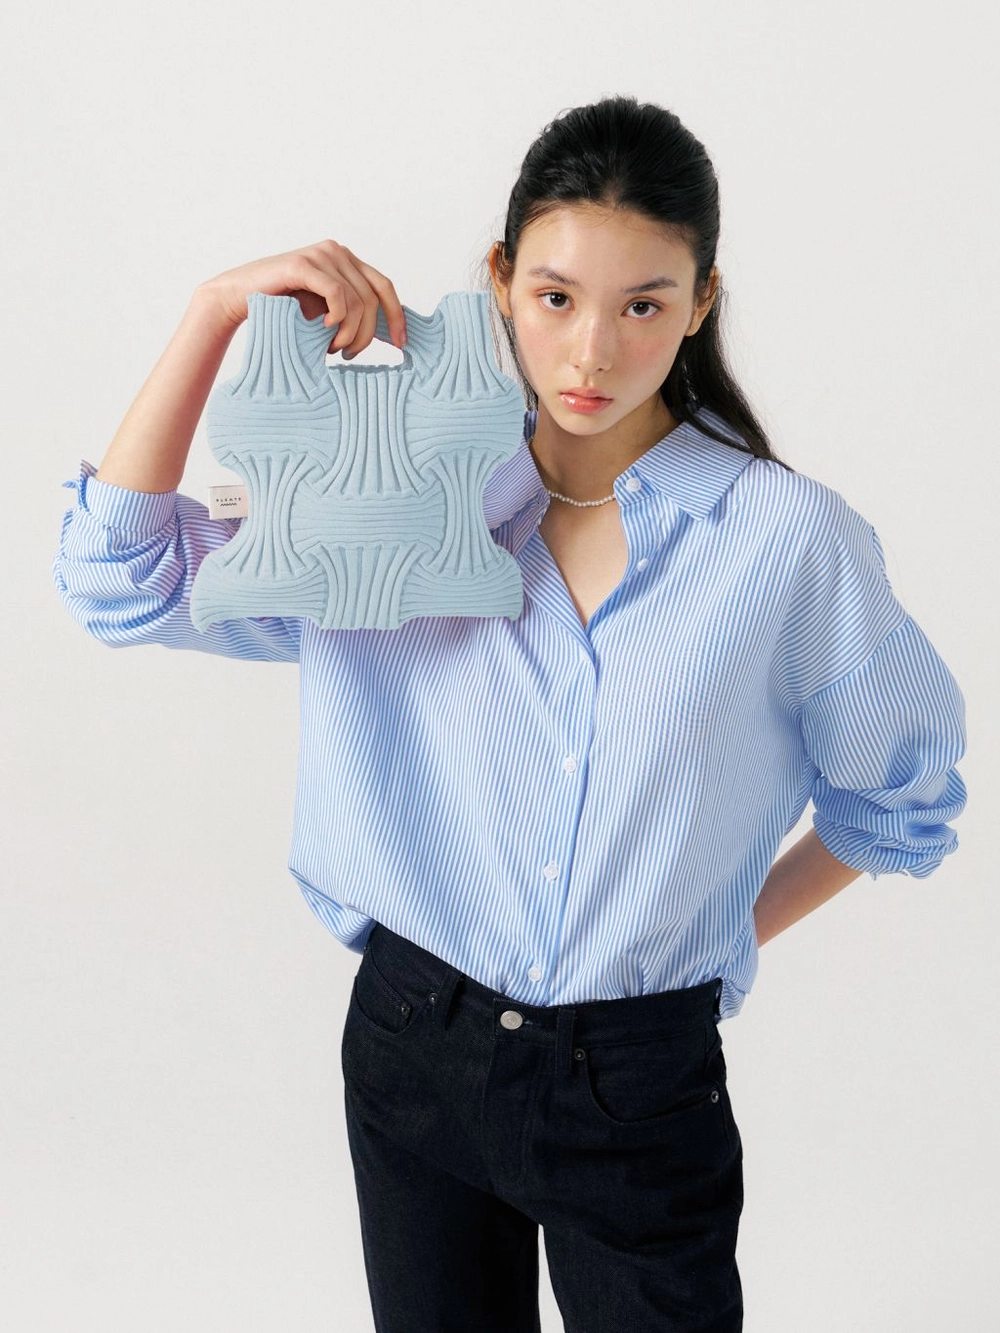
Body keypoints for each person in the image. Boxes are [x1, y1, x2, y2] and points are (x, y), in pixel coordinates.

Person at [52, 95, 966, 1332]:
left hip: (643, 1079)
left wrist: (697, 945)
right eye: (555, 296)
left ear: (701, 303)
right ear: (498, 280)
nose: (592, 352)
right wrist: (215, 311)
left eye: (643, 305)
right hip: (411, 1041)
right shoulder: (392, 500)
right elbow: (117, 582)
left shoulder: (785, 546)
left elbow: (896, 804)